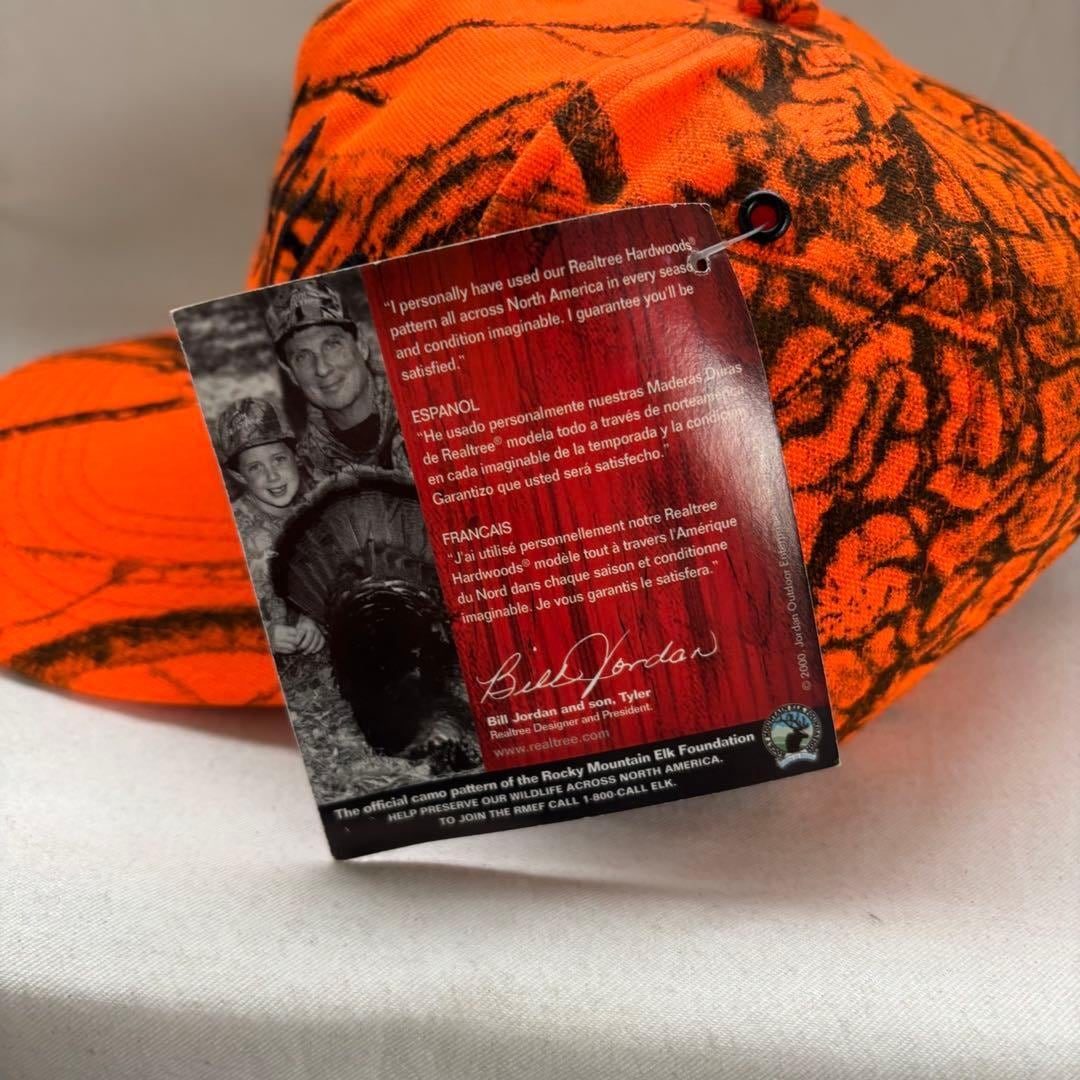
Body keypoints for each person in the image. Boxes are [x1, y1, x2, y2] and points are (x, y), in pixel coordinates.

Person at [264, 279, 410, 482]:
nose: (322, 369)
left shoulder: (423, 408)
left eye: (332, 345)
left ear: (361, 345)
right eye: (302, 356)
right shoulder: (308, 471)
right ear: (291, 374)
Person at [217, 397, 323, 657]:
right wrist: (262, 634)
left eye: (278, 459)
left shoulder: (321, 509)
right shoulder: (227, 532)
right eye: (255, 467)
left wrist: (317, 620)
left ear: (296, 457)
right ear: (239, 476)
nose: (272, 475)